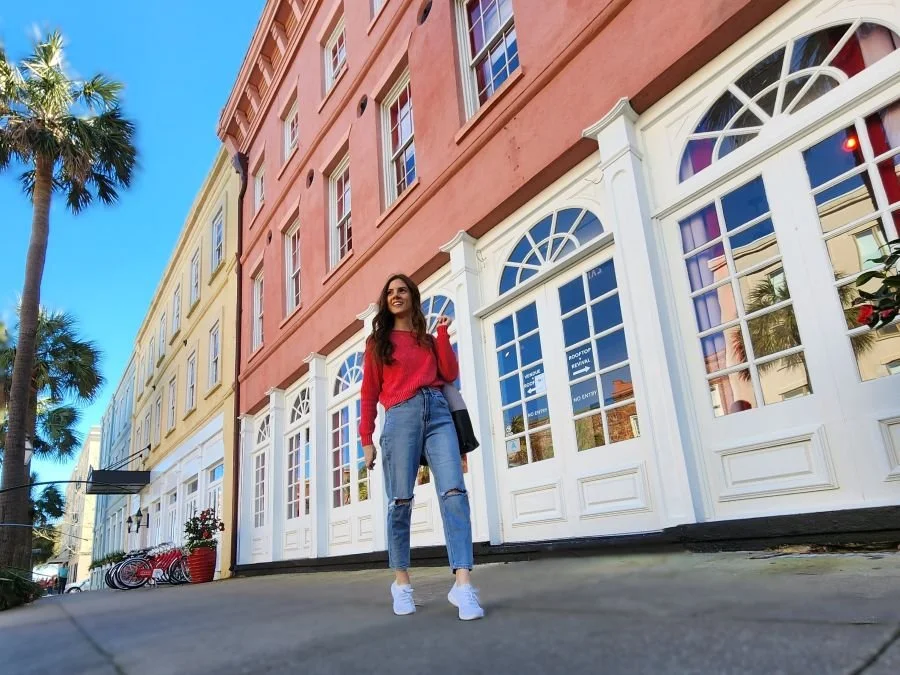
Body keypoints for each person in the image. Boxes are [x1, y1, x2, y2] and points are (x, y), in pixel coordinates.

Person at [360, 273, 484, 621]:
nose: (396, 295)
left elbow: (449, 372)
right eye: (390, 292)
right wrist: (366, 438)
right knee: (400, 501)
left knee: (455, 493)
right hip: (401, 416)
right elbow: (369, 392)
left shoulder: (427, 340)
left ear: (413, 297)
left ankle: (463, 584)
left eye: (402, 290)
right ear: (385, 301)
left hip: (439, 412)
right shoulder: (378, 343)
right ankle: (401, 582)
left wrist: (443, 335)